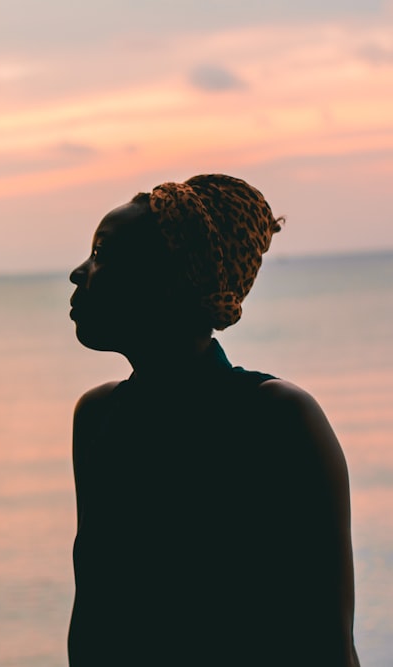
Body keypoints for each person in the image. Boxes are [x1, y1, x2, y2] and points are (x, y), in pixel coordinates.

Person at [66, 174, 360, 666]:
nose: (79, 273)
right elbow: (93, 623)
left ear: (171, 283)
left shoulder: (281, 420)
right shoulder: (96, 417)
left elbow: (328, 641)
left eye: (102, 253)